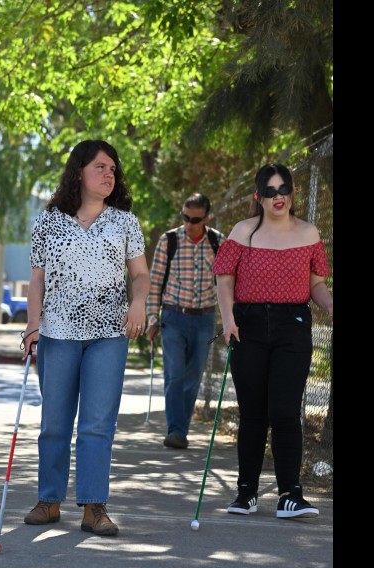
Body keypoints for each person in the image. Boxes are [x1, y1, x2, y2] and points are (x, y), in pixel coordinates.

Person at [20, 139, 150, 537]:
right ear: (79, 171)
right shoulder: (48, 221)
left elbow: (140, 274)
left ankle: (95, 507)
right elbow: (37, 280)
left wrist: (139, 303)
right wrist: (32, 325)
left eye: (113, 169)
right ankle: (49, 501)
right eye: (100, 167)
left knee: (97, 424)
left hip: (109, 334)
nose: (109, 174)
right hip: (57, 333)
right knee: (54, 423)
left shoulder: (125, 222)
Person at [212, 163, 333, 519]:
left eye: (284, 189)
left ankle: (290, 495)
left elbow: (315, 284)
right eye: (270, 191)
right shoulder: (243, 231)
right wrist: (229, 319)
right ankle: (246, 493)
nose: (278, 196)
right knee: (252, 413)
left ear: (292, 193)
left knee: (284, 412)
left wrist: (329, 305)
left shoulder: (309, 233)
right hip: (247, 325)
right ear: (258, 197)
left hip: (292, 325)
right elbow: (224, 278)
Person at [145, 193, 226, 449]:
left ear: (207, 218)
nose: (189, 223)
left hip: (205, 319)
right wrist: (152, 319)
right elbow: (155, 283)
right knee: (175, 375)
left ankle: (181, 427)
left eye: (195, 219)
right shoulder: (169, 240)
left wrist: (230, 317)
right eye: (185, 217)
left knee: (193, 378)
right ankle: (176, 431)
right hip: (173, 317)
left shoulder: (218, 242)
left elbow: (226, 284)